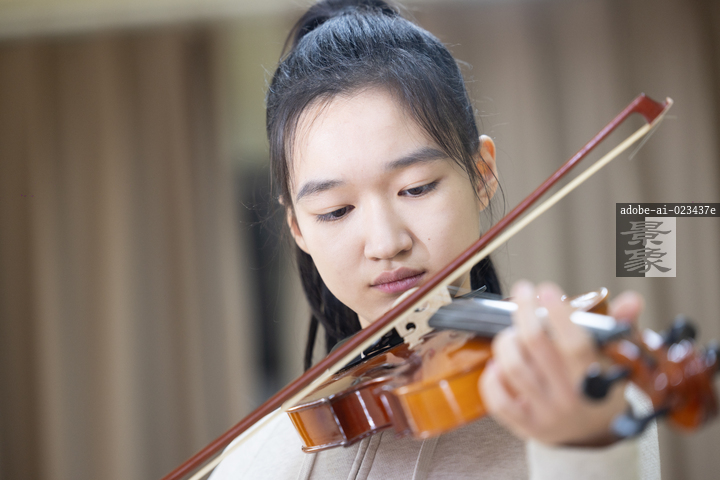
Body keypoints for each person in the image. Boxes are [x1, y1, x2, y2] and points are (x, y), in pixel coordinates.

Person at [210, 1, 660, 478]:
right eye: (335, 210)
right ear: (299, 227)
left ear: (482, 175)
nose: (386, 243)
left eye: (417, 188)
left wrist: (586, 445)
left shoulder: (587, 394)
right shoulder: (255, 459)